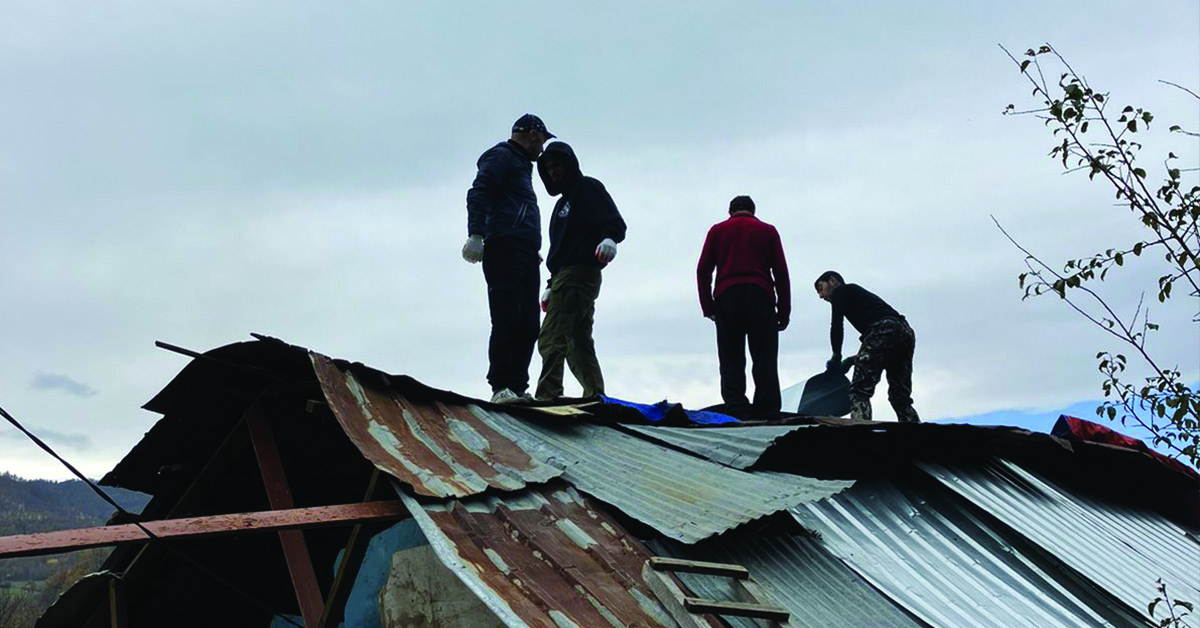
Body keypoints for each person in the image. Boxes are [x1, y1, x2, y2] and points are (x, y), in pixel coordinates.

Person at [463, 114, 553, 403]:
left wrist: (529, 244)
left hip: (524, 250)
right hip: (503, 247)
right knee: (507, 317)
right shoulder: (501, 156)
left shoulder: (522, 165)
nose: (542, 149)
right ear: (534, 135)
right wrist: (476, 234)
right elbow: (479, 192)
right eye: (542, 141)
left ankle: (516, 386)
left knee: (529, 323)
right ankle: (500, 386)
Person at [534, 141, 627, 400]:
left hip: (579, 273)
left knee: (552, 335)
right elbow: (561, 248)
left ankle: (548, 396)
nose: (553, 171)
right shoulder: (561, 205)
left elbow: (613, 220)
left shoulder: (587, 188)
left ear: (570, 163)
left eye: (557, 164)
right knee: (577, 341)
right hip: (565, 276)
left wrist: (611, 238)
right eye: (549, 167)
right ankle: (595, 395)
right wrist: (552, 285)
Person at [696, 196, 790, 419]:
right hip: (760, 294)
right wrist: (783, 311)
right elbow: (781, 273)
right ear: (753, 211)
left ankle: (737, 408)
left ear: (730, 211)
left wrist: (708, 307)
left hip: (727, 296)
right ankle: (767, 409)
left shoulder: (717, 231)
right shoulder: (768, 231)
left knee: (731, 357)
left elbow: (702, 271)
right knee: (764, 356)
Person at [814, 270, 920, 423]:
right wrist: (851, 361)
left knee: (859, 391)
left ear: (832, 281)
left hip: (883, 329)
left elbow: (837, 326)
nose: (820, 295)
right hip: (905, 332)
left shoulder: (840, 291)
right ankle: (919, 438)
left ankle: (860, 438)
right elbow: (881, 352)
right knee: (900, 398)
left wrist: (836, 356)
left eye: (820, 288)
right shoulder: (858, 296)